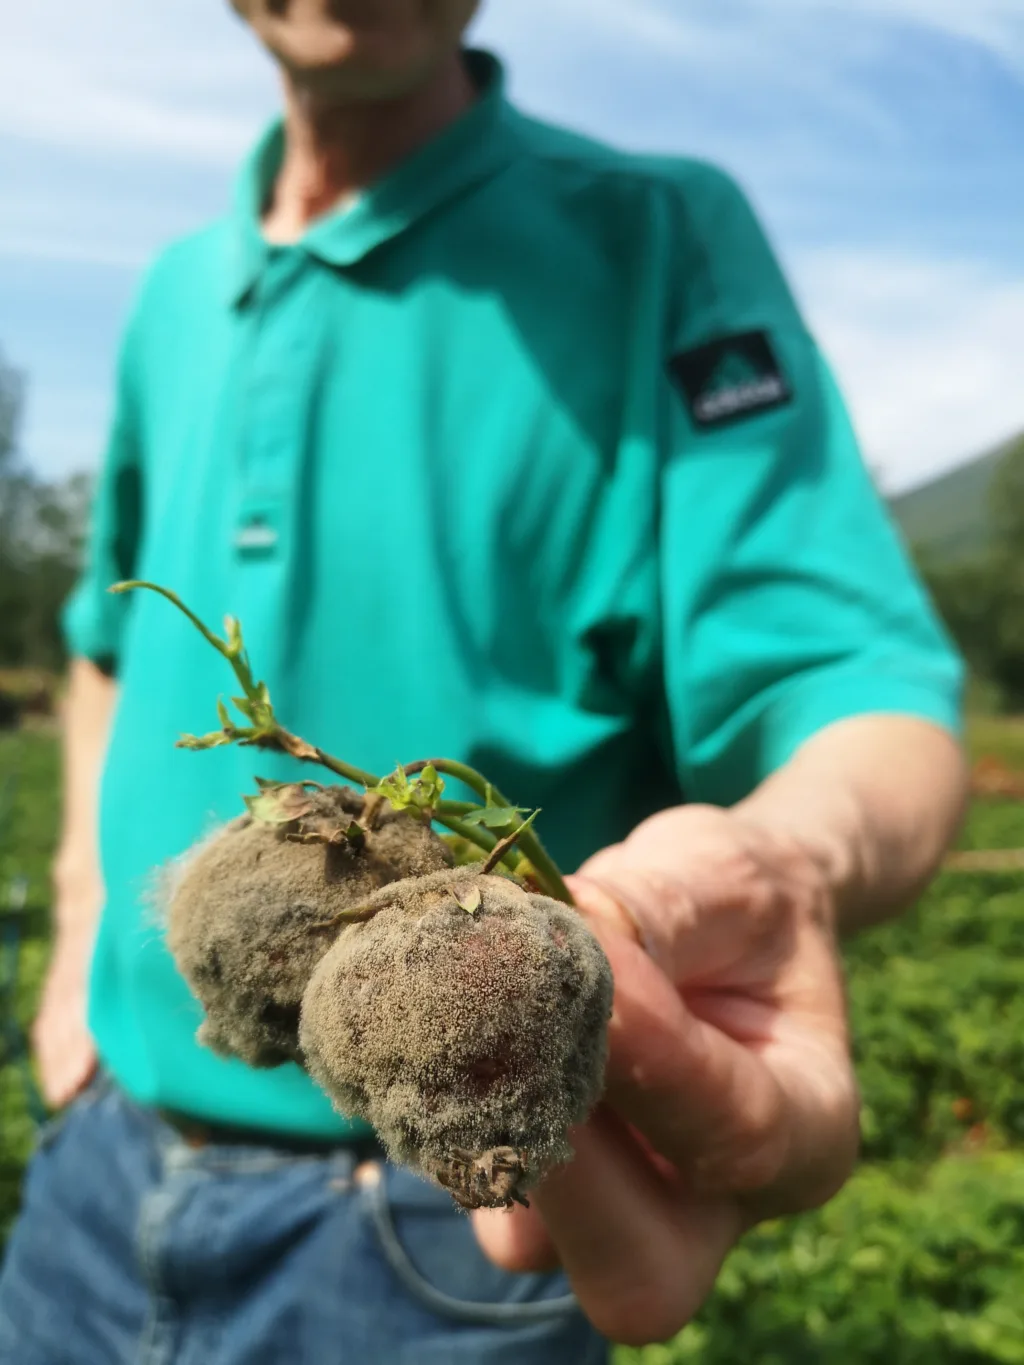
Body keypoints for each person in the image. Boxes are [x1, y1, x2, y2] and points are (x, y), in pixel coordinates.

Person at [0, 2, 967, 1361]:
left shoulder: (653, 238)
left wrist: (785, 864)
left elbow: (860, 684)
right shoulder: (173, 290)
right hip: (99, 1168)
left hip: (442, 1230)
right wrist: (78, 952)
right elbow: (107, 646)